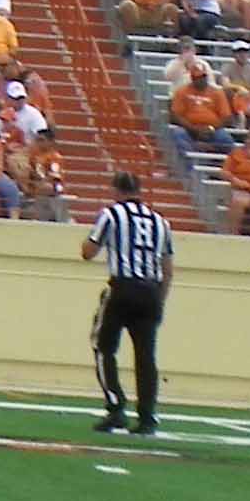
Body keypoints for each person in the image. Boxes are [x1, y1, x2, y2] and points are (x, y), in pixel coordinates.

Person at [81, 167, 172, 433]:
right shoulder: (160, 221)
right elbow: (168, 269)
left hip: (123, 288)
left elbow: (88, 251)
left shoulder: (111, 214)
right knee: (146, 357)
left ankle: (116, 406)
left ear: (116, 191)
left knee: (103, 346)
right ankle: (147, 417)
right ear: (139, 191)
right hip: (152, 292)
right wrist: (160, 300)